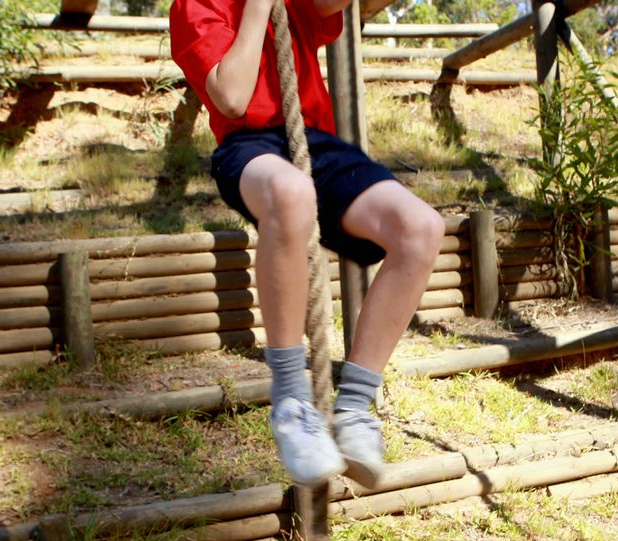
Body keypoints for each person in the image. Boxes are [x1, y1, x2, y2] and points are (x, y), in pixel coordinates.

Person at [170, 0, 444, 487]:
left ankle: (356, 406)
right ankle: (294, 402)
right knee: (292, 194)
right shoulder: (195, 6)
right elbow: (231, 98)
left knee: (421, 228)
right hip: (249, 148)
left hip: (316, 142)